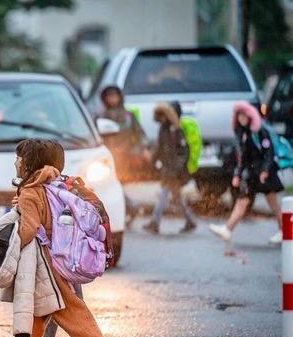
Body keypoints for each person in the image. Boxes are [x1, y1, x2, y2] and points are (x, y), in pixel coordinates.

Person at [0, 139, 126, 337]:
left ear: (29, 164)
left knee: (68, 310)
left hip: (45, 263)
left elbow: (29, 229)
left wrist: (8, 244)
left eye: (19, 159)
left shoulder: (30, 191)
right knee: (39, 312)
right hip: (55, 258)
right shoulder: (51, 184)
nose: (15, 162)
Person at [209, 101, 283, 244]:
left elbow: (269, 153)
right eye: (239, 115)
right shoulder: (244, 133)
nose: (241, 118)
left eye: (244, 115)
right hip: (253, 175)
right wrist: (238, 174)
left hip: (263, 175)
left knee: (273, 203)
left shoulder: (260, 131)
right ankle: (228, 229)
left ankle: (284, 230)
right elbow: (244, 157)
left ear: (250, 115)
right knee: (242, 201)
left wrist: (265, 170)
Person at [97, 85, 149, 227]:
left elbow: (140, 135)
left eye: (115, 95)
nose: (112, 99)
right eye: (109, 96)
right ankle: (131, 209)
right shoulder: (99, 116)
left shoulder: (128, 116)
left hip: (125, 159)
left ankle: (131, 209)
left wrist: (140, 150)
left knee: (116, 186)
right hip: (104, 159)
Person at [143, 103, 197, 234]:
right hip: (167, 169)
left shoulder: (176, 130)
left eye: (163, 115)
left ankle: (155, 222)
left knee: (164, 195)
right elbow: (160, 148)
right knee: (176, 197)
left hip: (173, 171)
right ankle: (190, 221)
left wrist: (177, 169)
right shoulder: (163, 129)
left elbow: (184, 151)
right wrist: (152, 160)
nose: (161, 119)